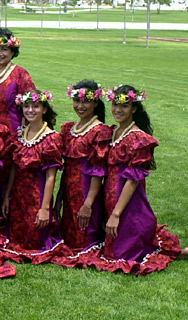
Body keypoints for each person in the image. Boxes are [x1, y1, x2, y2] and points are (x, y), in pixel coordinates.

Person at [61, 85, 182, 275]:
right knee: (110, 250)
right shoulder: (113, 132)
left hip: (127, 202)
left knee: (120, 255)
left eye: (124, 106)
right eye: (115, 105)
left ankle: (176, 252)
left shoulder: (139, 139)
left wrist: (116, 215)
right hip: (109, 198)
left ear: (134, 108)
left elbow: (133, 181)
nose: (118, 110)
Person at [2, 90, 68, 264]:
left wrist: (45, 208)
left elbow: (50, 177)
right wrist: (8, 195)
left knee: (35, 240)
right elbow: (14, 168)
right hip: (18, 194)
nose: (30, 110)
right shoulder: (18, 134)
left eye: (35, 106)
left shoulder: (52, 138)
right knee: (16, 237)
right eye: (26, 106)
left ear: (44, 109)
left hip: (37, 195)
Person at [57, 81, 110, 252]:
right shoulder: (68, 128)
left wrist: (88, 205)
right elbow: (65, 169)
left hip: (87, 192)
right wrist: (59, 200)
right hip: (69, 192)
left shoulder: (100, 132)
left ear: (95, 103)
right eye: (77, 101)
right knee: (69, 239)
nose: (80, 106)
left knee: (84, 241)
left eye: (86, 101)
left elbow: (98, 172)